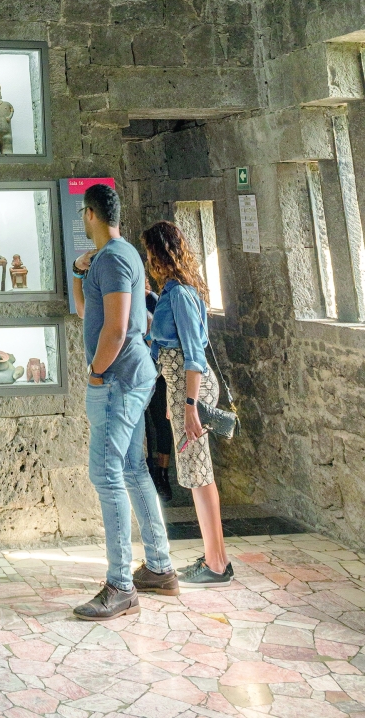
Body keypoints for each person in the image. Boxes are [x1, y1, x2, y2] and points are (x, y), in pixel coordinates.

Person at [71, 184, 178, 619]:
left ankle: (120, 586)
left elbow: (115, 330)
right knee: (133, 470)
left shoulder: (113, 259)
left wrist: (97, 373)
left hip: (117, 379)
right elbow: (84, 312)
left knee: (106, 473)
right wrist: (79, 270)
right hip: (130, 377)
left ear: (88, 214)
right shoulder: (119, 255)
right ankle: (159, 567)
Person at [142, 220, 233, 584]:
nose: (148, 259)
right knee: (199, 475)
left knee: (199, 476)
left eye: (150, 253)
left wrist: (189, 404)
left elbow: (193, 356)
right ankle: (216, 558)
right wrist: (175, 400)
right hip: (181, 387)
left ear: (160, 254)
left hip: (190, 386)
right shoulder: (176, 291)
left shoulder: (178, 294)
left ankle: (216, 565)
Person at [144, 278, 174, 504]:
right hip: (140, 372)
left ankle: (162, 476)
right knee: (144, 424)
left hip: (158, 373)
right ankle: (148, 471)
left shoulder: (153, 301)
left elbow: (159, 335)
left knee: (161, 422)